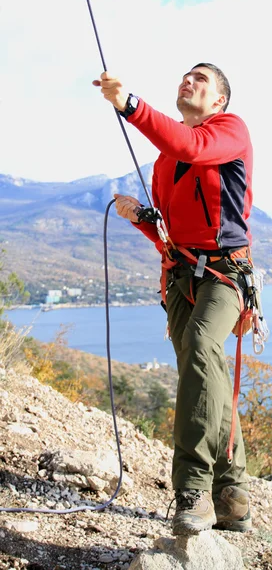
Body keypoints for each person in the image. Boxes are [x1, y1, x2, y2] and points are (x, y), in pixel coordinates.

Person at [93, 63, 253, 535]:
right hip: (181, 277)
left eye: (201, 79)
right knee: (203, 370)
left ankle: (193, 488)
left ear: (219, 100)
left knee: (203, 348)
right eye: (186, 75)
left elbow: (190, 145)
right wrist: (141, 216)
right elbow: (170, 234)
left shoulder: (229, 131)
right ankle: (234, 493)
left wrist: (130, 105)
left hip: (225, 274)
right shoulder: (165, 163)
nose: (189, 81)